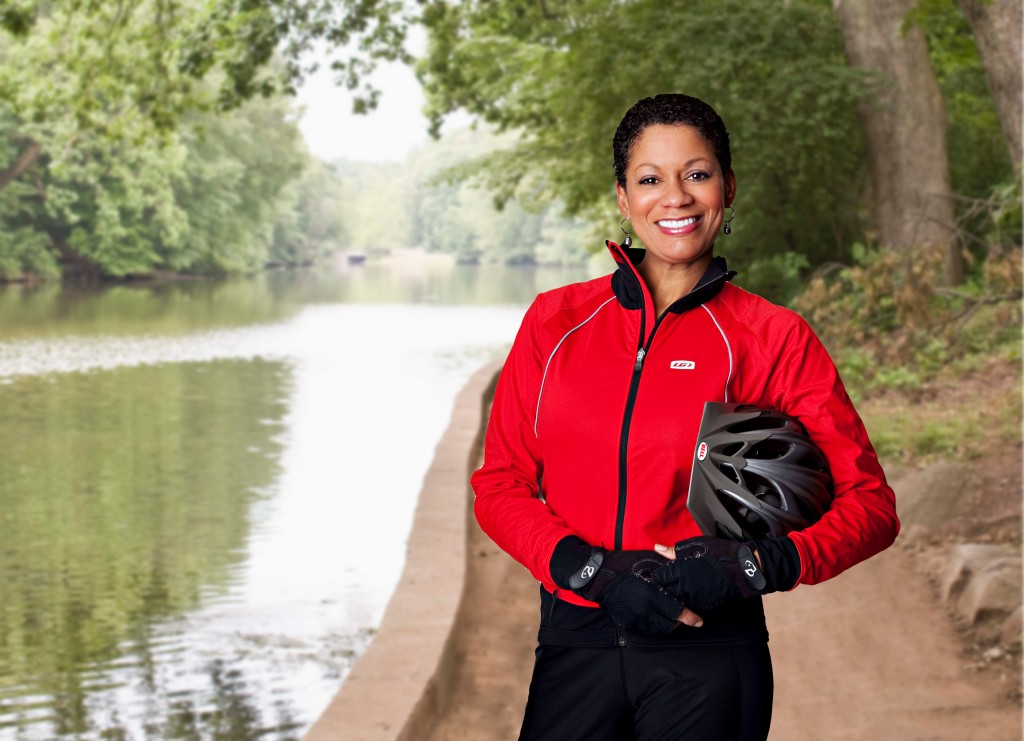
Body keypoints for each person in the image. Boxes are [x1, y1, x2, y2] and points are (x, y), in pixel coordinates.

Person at [471, 93, 899, 740]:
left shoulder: (771, 336)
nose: (676, 197)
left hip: (710, 652)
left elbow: (871, 506)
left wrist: (755, 566)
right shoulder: (556, 322)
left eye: (696, 174)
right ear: (622, 197)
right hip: (575, 641)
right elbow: (499, 484)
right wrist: (589, 571)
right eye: (650, 179)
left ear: (727, 187)